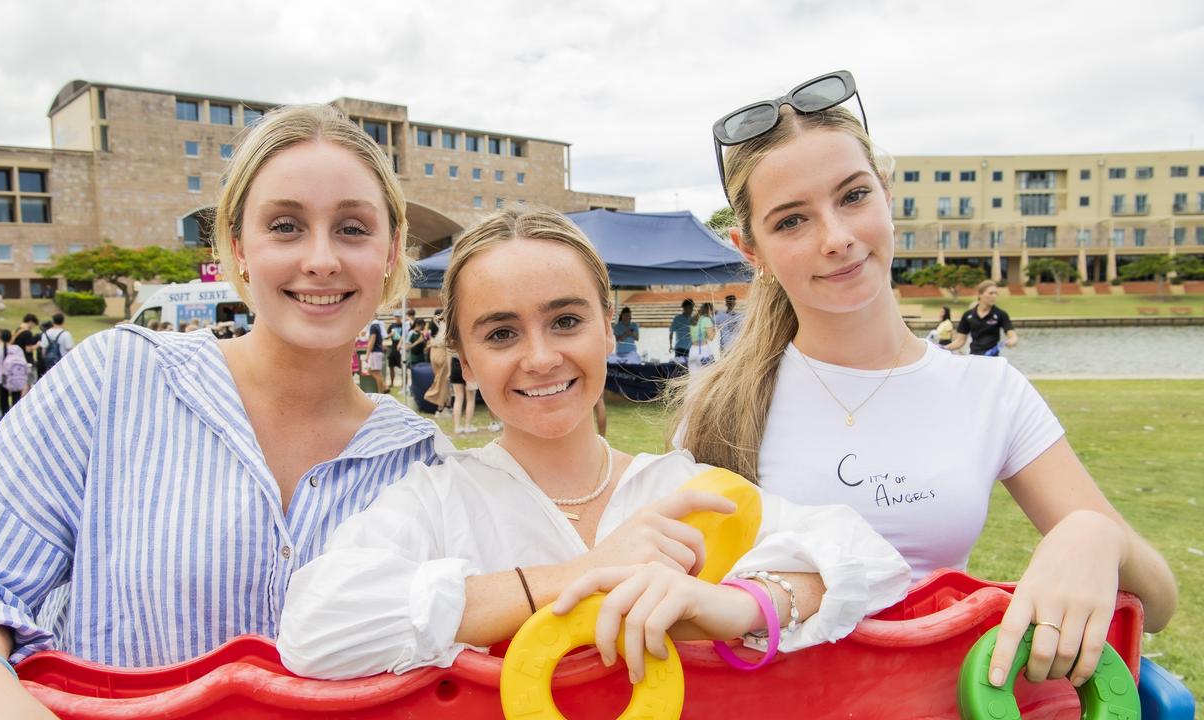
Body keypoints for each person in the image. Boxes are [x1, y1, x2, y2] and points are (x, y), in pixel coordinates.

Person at [0, 104, 443, 717]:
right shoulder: (118, 380)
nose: (321, 259)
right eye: (284, 225)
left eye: (353, 228)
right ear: (235, 244)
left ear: (392, 251)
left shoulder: (421, 460)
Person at [674, 70, 1176, 691]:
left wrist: (1094, 535)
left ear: (886, 194)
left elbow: (1157, 603)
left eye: (853, 196)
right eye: (791, 222)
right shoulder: (718, 407)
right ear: (751, 250)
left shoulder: (990, 393)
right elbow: (685, 615)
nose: (838, 238)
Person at [277, 207, 909, 680]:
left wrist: (741, 604)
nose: (542, 357)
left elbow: (873, 563)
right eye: (500, 334)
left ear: (609, 330)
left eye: (566, 321)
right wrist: (578, 576)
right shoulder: (436, 500)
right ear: (464, 360)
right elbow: (315, 628)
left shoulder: (679, 488)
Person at [947, 280, 1018, 356]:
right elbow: (960, 341)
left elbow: (1013, 336)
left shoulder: (1001, 314)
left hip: (992, 359)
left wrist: (1012, 341)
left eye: (996, 293)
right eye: (991, 293)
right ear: (980, 294)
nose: (994, 296)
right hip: (974, 357)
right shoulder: (967, 315)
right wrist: (944, 348)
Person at [424, 309, 451, 415]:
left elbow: (426, 337)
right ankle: (441, 406)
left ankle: (447, 403)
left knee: (439, 378)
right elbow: (445, 340)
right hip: (442, 352)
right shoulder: (444, 325)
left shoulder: (430, 324)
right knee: (443, 380)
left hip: (433, 352)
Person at [12, 314, 42, 388]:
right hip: (27, 361)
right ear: (31, 322)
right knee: (29, 383)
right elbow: (28, 349)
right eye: (34, 325)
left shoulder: (16, 330)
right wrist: (37, 345)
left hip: (17, 359)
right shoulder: (27, 333)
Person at [687, 301, 717, 374]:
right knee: (707, 376)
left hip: (693, 350)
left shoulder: (693, 319)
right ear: (710, 310)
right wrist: (715, 330)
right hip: (704, 350)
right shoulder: (707, 320)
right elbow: (711, 338)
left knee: (693, 377)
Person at [668, 298, 694, 362]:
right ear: (684, 308)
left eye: (692, 308)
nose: (692, 310)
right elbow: (671, 332)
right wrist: (670, 345)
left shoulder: (693, 319)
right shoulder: (677, 318)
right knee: (679, 370)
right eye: (690, 307)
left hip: (691, 349)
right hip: (680, 348)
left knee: (690, 370)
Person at [386, 311, 404, 390]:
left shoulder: (404, 326)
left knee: (403, 366)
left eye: (398, 316)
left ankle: (403, 383)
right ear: (394, 317)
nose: (397, 318)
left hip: (401, 347)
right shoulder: (391, 326)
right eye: (396, 316)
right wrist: (391, 334)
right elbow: (386, 337)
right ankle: (392, 383)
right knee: (391, 366)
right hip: (393, 347)